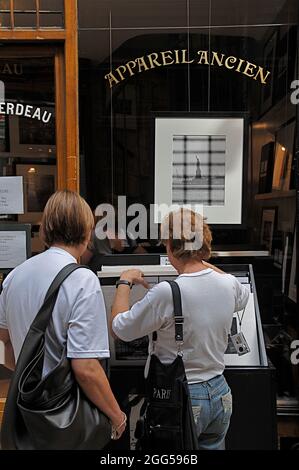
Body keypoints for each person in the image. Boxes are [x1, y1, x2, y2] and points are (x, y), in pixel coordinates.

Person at [110, 208, 249, 450]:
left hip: (182, 397)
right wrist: (200, 259)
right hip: (220, 393)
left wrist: (124, 281)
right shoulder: (230, 285)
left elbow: (120, 328)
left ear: (171, 247)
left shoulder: (166, 292)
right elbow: (242, 294)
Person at [0, 190, 126, 444]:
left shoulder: (14, 276)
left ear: (45, 231)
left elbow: (4, 345)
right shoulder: (81, 279)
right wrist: (117, 415)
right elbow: (86, 368)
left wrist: (33, 377)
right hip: (65, 416)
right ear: (87, 232)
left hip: (26, 412)